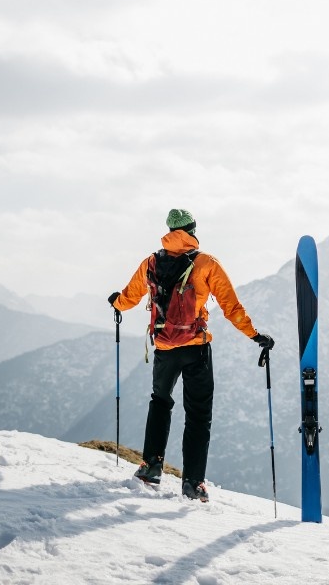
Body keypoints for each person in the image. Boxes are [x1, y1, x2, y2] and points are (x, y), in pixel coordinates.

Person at [108, 208, 274, 502]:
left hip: (164, 348)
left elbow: (131, 296)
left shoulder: (151, 263)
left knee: (160, 403)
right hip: (196, 347)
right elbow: (231, 306)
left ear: (170, 232)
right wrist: (255, 335)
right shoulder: (206, 263)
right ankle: (193, 483)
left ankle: (150, 467)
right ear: (193, 230)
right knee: (198, 415)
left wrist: (117, 304)